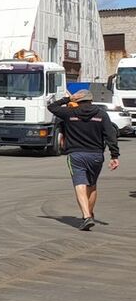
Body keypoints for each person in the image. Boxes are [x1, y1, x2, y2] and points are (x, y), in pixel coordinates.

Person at [48, 89, 120, 230]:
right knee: (92, 185)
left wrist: (67, 100)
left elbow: (52, 107)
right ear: (91, 100)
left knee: (80, 185)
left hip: (76, 155)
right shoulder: (101, 114)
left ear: (77, 100)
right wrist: (114, 156)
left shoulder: (69, 113)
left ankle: (86, 216)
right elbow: (110, 135)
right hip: (96, 156)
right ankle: (90, 215)